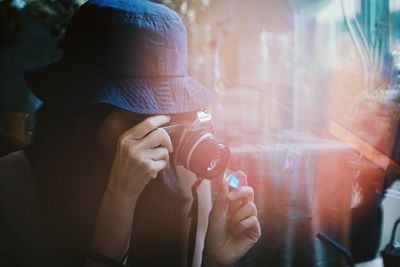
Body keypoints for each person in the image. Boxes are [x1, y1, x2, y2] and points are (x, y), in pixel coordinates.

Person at [0, 1, 261, 267]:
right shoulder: (14, 179)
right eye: (139, 109)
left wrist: (214, 260)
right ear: (82, 109)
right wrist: (120, 197)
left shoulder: (186, 175)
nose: (162, 128)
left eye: (172, 109)